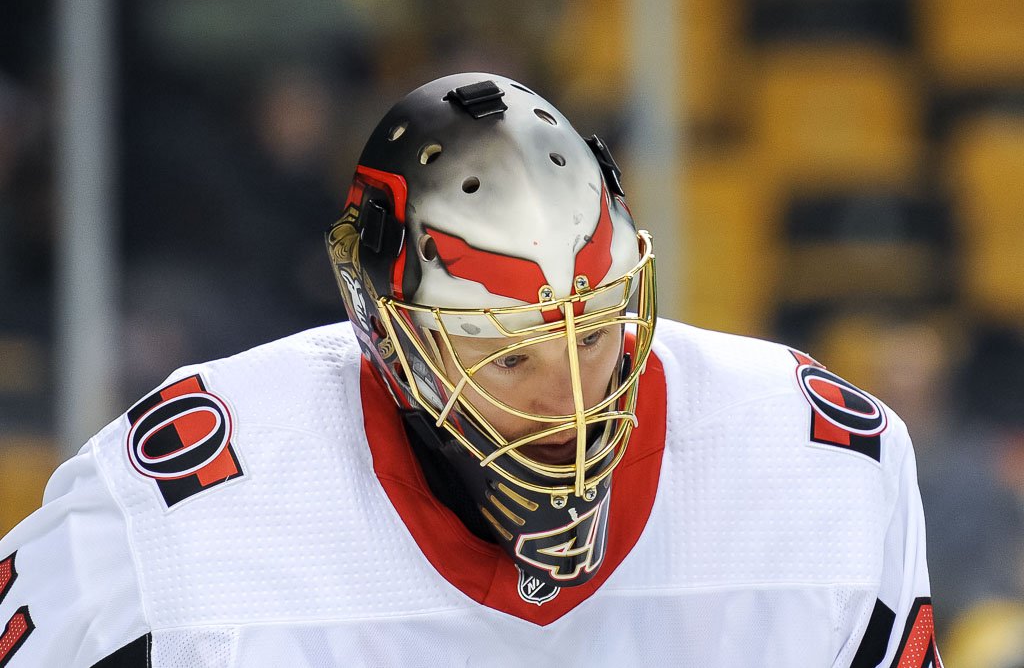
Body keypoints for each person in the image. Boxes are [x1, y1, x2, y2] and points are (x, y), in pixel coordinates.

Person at [0, 73, 940, 667]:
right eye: (511, 353)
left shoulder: (819, 470)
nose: (571, 402)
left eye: (592, 333)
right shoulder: (178, 512)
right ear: (391, 336)